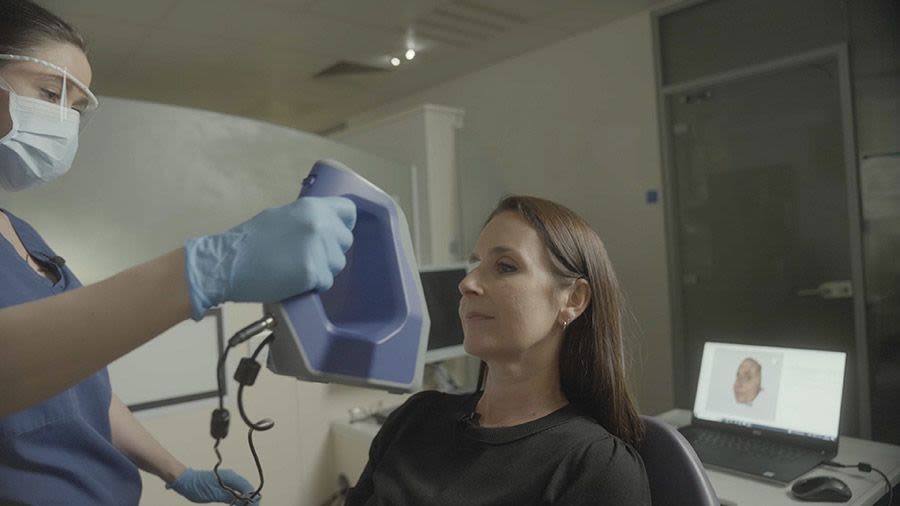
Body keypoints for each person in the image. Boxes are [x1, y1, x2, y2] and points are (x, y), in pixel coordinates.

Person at [0, 1, 356, 504]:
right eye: (49, 93)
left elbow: (77, 385)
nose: (64, 121)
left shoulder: (22, 235)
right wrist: (205, 269)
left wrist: (177, 472)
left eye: (77, 109)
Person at [345, 196, 651, 505]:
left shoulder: (596, 467)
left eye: (505, 266)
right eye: (475, 264)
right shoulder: (414, 417)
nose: (467, 283)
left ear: (573, 299)